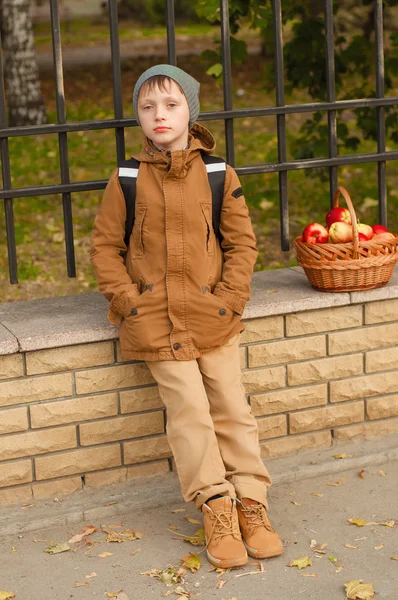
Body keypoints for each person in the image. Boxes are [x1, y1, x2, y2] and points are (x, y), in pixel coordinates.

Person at [90, 64, 283, 569]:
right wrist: (128, 303)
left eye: (171, 105)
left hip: (213, 316)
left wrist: (231, 298)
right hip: (154, 319)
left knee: (231, 409)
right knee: (191, 415)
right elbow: (105, 248)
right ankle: (216, 508)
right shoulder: (126, 177)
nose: (159, 115)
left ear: (190, 112)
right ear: (138, 114)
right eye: (148, 106)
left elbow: (242, 243)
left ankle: (252, 506)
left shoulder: (218, 173)